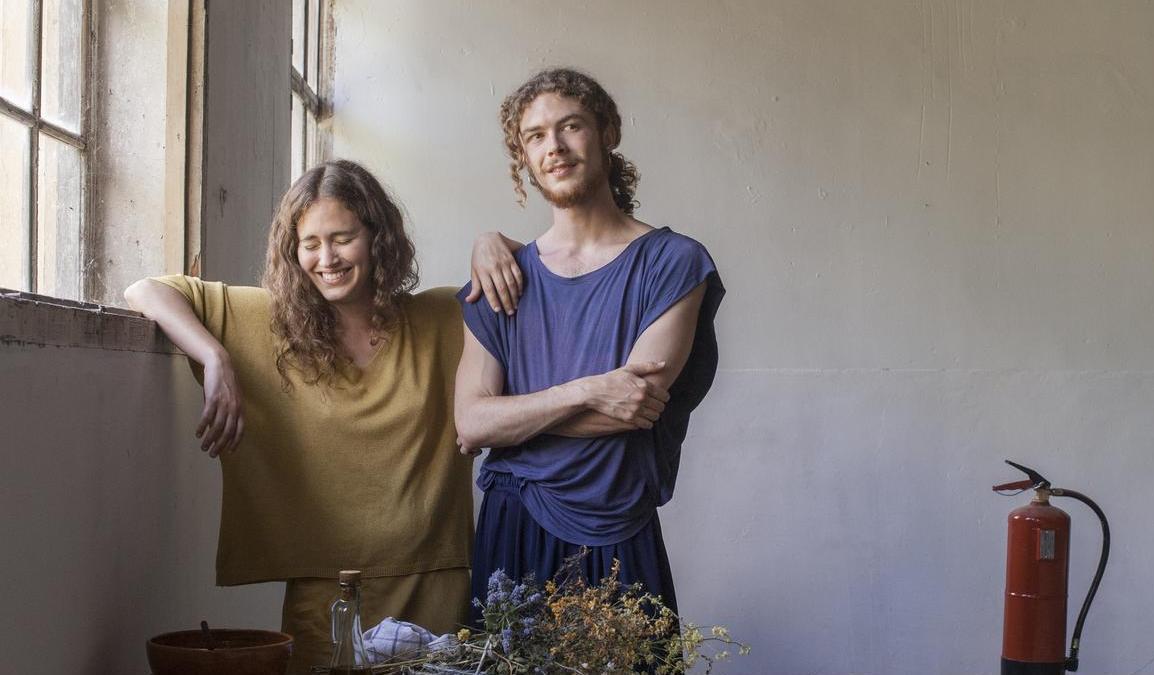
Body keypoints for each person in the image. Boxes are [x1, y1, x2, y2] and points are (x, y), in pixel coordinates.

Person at [125, 159, 521, 673]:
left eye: (342, 238)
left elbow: (535, 279)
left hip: (434, 582)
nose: (326, 258)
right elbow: (145, 291)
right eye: (309, 243)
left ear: (378, 239)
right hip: (327, 596)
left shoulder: (443, 316)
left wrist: (492, 241)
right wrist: (215, 356)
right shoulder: (270, 325)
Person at [455, 68, 725, 620]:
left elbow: (632, 406)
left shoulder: (673, 263)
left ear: (608, 132)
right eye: (534, 136)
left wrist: (515, 420)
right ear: (524, 157)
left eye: (570, 126)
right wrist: (588, 390)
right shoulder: (498, 281)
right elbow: (472, 425)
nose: (553, 147)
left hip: (615, 525)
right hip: (511, 530)